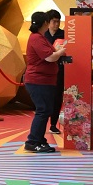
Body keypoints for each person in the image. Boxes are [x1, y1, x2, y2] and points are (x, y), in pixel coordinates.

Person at [24, 10, 67, 152]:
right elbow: (49, 57)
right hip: (38, 80)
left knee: (46, 109)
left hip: (45, 80)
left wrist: (56, 50)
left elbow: (49, 53)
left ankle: (39, 139)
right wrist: (60, 52)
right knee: (43, 110)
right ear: (45, 23)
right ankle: (33, 141)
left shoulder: (40, 37)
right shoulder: (36, 38)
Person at [43, 9, 66, 136]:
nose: (56, 24)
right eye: (54, 22)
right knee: (47, 97)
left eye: (58, 21)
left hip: (60, 69)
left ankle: (53, 124)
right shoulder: (43, 35)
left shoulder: (64, 34)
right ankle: (43, 123)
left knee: (58, 97)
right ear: (48, 22)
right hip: (46, 70)